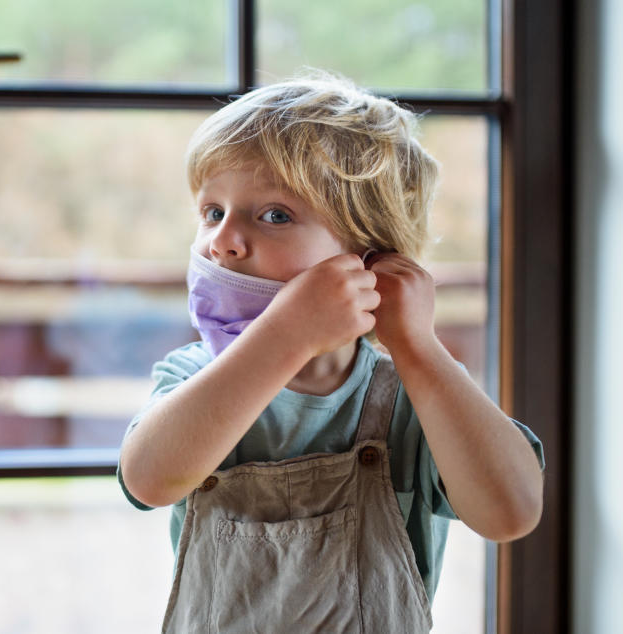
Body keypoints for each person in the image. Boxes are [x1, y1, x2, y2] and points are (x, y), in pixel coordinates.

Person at [117, 72, 545, 633]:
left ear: (369, 254)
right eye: (212, 212)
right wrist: (285, 334)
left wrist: (419, 349)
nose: (221, 239)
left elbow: (510, 513)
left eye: (274, 215)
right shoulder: (194, 376)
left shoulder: (417, 393)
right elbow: (149, 479)